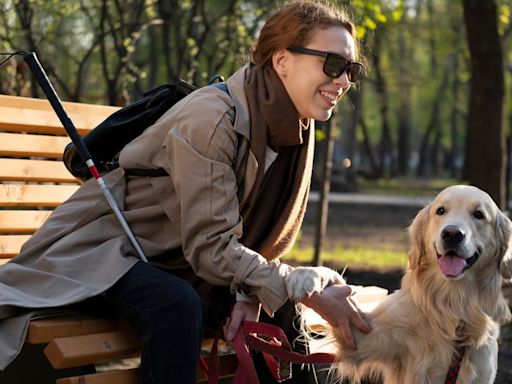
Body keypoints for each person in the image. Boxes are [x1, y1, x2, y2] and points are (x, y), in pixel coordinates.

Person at [0, 1, 370, 383]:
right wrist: (302, 288)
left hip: (177, 262)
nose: (343, 81)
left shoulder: (294, 128)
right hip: (103, 255)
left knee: (281, 306)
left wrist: (250, 293)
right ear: (282, 62)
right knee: (175, 305)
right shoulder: (210, 118)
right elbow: (211, 246)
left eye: (351, 70)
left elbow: (252, 244)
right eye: (332, 65)